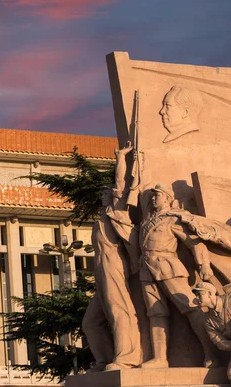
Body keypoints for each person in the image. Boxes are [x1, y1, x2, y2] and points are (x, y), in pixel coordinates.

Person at [137, 182, 220, 368]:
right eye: (152, 195)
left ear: (167, 198)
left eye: (156, 195)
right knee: (156, 313)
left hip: (168, 266)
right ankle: (159, 359)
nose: (153, 198)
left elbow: (195, 243)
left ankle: (211, 353)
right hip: (147, 268)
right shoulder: (149, 220)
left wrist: (204, 264)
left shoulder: (173, 219)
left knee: (192, 307)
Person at [82, 142, 142, 371]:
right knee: (91, 322)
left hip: (115, 266)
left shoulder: (116, 213)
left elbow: (121, 184)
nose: (104, 196)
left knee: (119, 310)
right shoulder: (100, 219)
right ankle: (104, 359)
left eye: (106, 193)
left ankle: (126, 357)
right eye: (103, 194)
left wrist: (120, 159)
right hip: (101, 270)